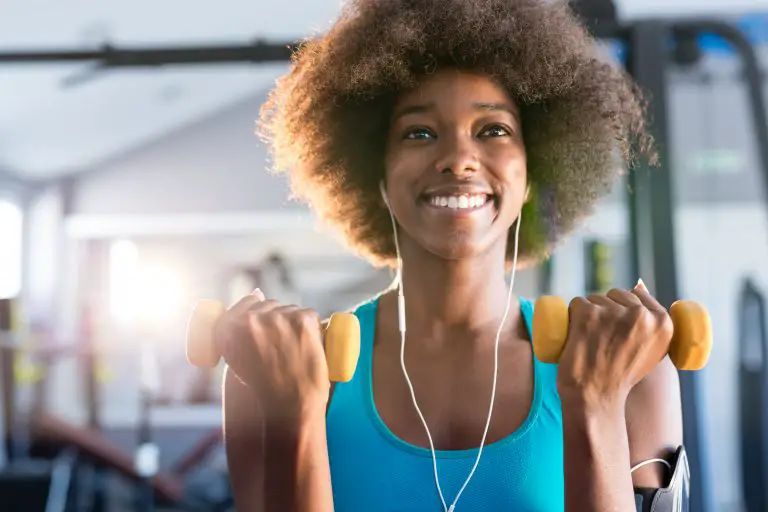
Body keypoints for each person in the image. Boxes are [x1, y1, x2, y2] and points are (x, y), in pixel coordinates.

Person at [218, 0, 688, 510]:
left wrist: (596, 404)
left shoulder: (635, 373)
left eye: (493, 130)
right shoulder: (265, 377)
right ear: (374, 176)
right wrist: (296, 416)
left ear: (533, 171)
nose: (459, 159)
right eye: (419, 133)